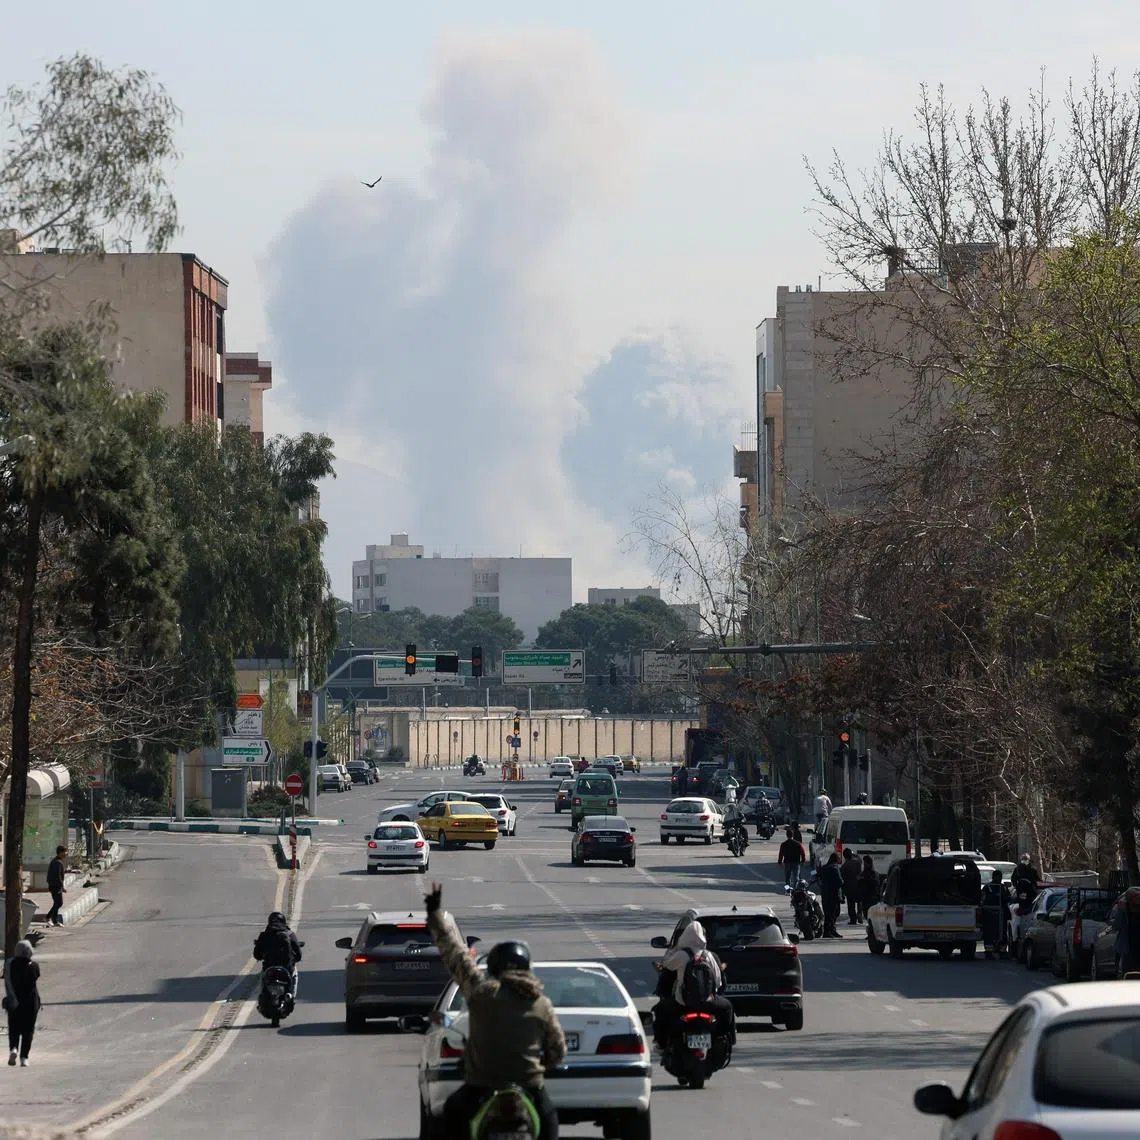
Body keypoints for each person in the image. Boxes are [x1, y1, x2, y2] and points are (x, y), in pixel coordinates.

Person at [425, 882, 565, 1140]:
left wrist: (434, 915)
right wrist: (539, 1066)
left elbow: (456, 956)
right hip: (529, 1085)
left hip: (481, 1085)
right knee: (549, 1121)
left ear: (494, 968)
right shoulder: (541, 1002)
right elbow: (558, 1049)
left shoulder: (481, 992)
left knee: (452, 1113)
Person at [653, 921, 735, 1049]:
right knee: (728, 1007)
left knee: (660, 1010)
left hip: (683, 1002)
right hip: (709, 1003)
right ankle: (726, 1040)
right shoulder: (709, 956)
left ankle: (660, 1044)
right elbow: (718, 982)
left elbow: (668, 968)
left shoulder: (681, 955)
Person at [5, 940, 40, 1067]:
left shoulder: (10, 964)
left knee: (14, 1028)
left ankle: (13, 1048)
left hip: (14, 1002)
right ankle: (24, 1058)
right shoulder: (34, 966)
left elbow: (8, 980)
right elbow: (36, 977)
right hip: (31, 1003)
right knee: (28, 1030)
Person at [253, 911, 302, 999]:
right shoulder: (289, 934)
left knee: (263, 977)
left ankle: (262, 994)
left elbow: (256, 954)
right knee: (294, 974)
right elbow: (298, 954)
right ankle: (292, 996)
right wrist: (295, 959)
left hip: (269, 967)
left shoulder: (264, 935)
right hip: (286, 967)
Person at [981, 869, 1012, 959]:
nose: (998, 878)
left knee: (1002, 932)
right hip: (989, 914)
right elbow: (982, 899)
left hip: (1001, 914)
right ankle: (989, 951)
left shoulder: (1003, 887)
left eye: (999, 876)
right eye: (996, 876)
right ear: (993, 877)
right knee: (989, 932)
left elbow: (1008, 898)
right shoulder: (988, 887)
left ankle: (1002, 951)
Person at [819, 854, 844, 938]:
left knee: (828, 913)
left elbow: (817, 875)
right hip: (833, 894)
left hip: (825, 893)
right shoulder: (835, 868)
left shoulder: (824, 867)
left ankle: (831, 930)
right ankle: (828, 931)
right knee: (833, 913)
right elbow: (840, 881)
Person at [46, 846, 67, 927]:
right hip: (55, 886)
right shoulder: (57, 862)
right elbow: (58, 876)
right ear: (61, 852)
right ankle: (49, 918)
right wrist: (61, 887)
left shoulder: (57, 861)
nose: (66, 854)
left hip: (54, 885)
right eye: (65, 852)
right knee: (59, 903)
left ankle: (53, 920)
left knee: (57, 903)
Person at [841, 849, 863, 925]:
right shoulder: (857, 863)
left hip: (849, 887)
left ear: (844, 856)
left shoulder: (844, 866)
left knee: (851, 905)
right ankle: (859, 914)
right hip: (858, 886)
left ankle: (853, 919)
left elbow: (842, 878)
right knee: (859, 902)